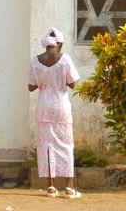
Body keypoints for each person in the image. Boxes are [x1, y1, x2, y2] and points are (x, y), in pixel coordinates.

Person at [28, 28, 81, 199]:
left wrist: (44, 79)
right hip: (61, 107)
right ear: (60, 44)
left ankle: (50, 186)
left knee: (46, 146)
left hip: (43, 107)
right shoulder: (64, 59)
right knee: (65, 145)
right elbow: (72, 84)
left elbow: (31, 86)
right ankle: (69, 187)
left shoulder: (35, 61)